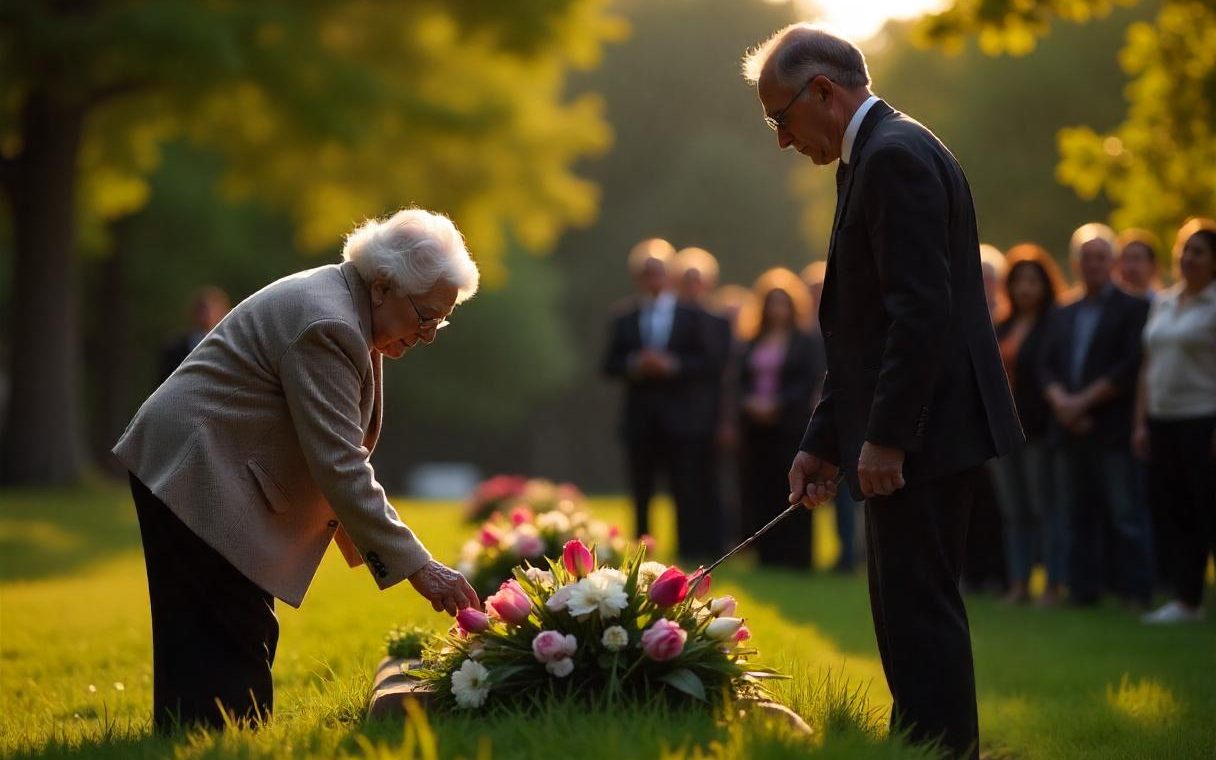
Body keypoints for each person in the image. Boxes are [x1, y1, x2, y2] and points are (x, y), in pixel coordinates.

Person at [743, 24, 1023, 760]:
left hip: (926, 433)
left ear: (825, 93)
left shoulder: (894, 157)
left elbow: (919, 313)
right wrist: (821, 441)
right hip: (915, 428)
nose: (780, 139)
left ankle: (941, 750)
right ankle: (925, 745)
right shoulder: (874, 152)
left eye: (780, 118)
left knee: (919, 612)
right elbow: (861, 330)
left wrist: (888, 436)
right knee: (903, 611)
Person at [113, 208, 482, 731]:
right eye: (426, 315)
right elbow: (338, 461)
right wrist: (420, 568)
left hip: (208, 462)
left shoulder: (349, 308)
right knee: (226, 629)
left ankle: (200, 735)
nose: (429, 335)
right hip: (195, 465)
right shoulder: (329, 323)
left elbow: (336, 456)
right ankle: (219, 736)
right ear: (383, 287)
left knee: (216, 628)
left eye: (440, 320)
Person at [1040, 223, 1153, 609]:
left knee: (1125, 515)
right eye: (1085, 258)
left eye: (1100, 257)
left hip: (1111, 428)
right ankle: (1082, 592)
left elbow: (1128, 367)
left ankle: (1135, 592)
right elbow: (1046, 366)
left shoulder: (1135, 308)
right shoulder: (1062, 312)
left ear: (1113, 261)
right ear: (1075, 263)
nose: (1092, 264)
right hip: (1068, 429)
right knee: (1075, 514)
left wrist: (1082, 403)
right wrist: (1063, 404)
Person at [602, 239, 717, 557]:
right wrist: (636, 364)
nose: (652, 279)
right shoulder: (624, 317)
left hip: (681, 421)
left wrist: (672, 365)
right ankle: (641, 552)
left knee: (685, 488)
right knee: (641, 490)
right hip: (640, 421)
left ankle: (689, 551)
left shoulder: (691, 315)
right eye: (645, 272)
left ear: (669, 275)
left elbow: (707, 363)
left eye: (658, 272)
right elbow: (609, 364)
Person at [1135, 222, 1216, 624]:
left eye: (1199, 251)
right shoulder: (1163, 302)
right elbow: (1148, 365)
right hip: (1162, 421)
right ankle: (1187, 601)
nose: (1188, 258)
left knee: (1206, 510)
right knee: (1176, 511)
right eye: (1185, 250)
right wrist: (1141, 423)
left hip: (1203, 419)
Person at [989, 244, 1069, 605]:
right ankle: (1019, 584)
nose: (1025, 288)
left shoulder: (1057, 325)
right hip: (1003, 434)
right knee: (1013, 512)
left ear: (1046, 283)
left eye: (1032, 280)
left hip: (1039, 431)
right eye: (1018, 280)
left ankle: (1053, 585)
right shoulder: (1000, 326)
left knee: (1044, 509)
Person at [734, 268, 824, 569]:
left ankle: (797, 556)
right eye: (771, 302)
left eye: (782, 302)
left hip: (790, 425)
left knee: (792, 485)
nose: (777, 309)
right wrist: (750, 403)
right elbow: (739, 379)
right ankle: (766, 553)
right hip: (756, 428)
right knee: (761, 486)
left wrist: (777, 404)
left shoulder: (805, 342)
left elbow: (808, 381)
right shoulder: (751, 340)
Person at [672, 246, 732, 557]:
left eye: (697, 279)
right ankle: (687, 545)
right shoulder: (672, 320)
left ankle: (715, 543)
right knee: (684, 484)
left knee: (712, 482)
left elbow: (723, 371)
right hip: (680, 418)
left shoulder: (718, 320)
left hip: (710, 415)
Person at [803, 259, 862, 572]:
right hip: (816, 420)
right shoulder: (804, 333)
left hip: (842, 417)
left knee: (847, 496)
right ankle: (843, 551)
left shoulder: (841, 328)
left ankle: (851, 553)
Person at [157, 286, 231, 383]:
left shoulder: (232, 347)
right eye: (203, 309)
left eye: (213, 308)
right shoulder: (174, 349)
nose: (208, 314)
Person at [1115, 228, 1162, 301]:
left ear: (1153, 266)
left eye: (1137, 259)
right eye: (1126, 259)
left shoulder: (1161, 304)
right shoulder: (1108, 303)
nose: (1130, 266)